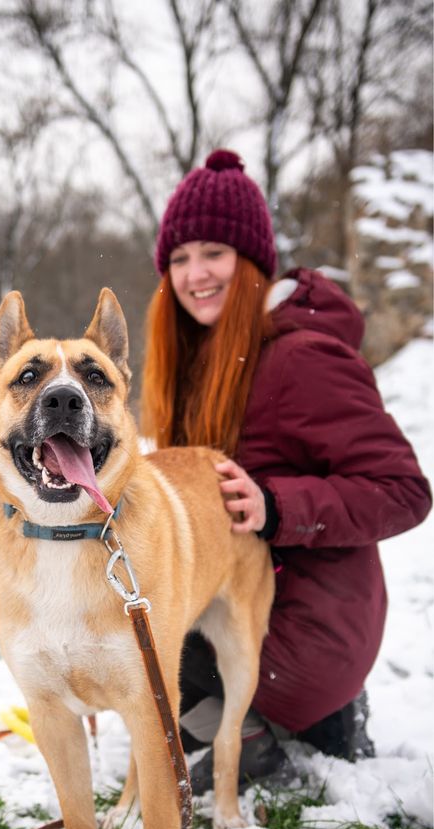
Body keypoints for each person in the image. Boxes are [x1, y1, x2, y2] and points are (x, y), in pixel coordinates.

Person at [141, 149, 432, 792]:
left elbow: (405, 491)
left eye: (213, 252)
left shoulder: (299, 358)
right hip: (249, 603)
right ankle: (260, 720)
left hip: (306, 626)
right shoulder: (201, 364)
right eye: (179, 259)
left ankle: (244, 731)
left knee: (131, 629)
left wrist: (276, 505)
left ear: (251, 262)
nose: (195, 274)